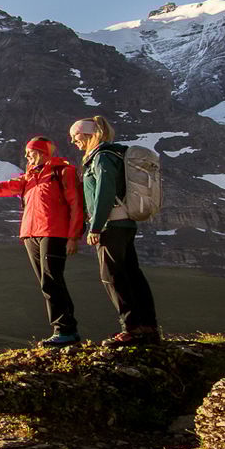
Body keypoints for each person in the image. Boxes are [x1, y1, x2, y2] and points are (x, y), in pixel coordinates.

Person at [0, 137, 87, 347]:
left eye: (30, 152)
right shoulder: (28, 177)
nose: (27, 156)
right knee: (47, 281)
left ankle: (65, 331)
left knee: (51, 280)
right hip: (30, 234)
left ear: (43, 152)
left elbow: (76, 204)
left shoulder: (62, 172)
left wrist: (73, 236)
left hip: (54, 232)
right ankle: (65, 330)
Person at [68, 115, 160, 344]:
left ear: (89, 134)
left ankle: (131, 328)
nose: (73, 141)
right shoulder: (112, 155)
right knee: (132, 273)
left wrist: (95, 227)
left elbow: (104, 193)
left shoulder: (101, 158)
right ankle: (148, 327)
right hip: (125, 223)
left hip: (112, 225)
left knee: (112, 275)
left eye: (75, 136)